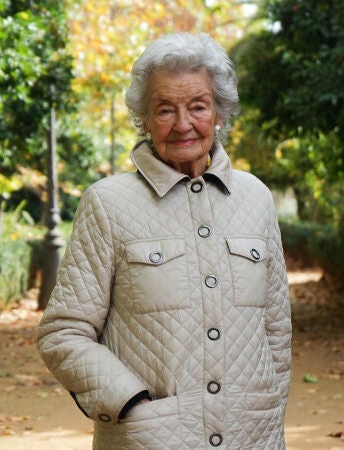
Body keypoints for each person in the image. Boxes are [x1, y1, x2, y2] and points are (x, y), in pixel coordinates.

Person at [37, 32, 292, 449]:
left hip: (253, 437)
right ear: (144, 120)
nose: (183, 124)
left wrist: (271, 411)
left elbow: (276, 330)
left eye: (198, 106)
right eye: (165, 110)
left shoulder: (256, 198)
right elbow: (63, 332)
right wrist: (128, 402)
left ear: (219, 112)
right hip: (149, 441)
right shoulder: (108, 203)